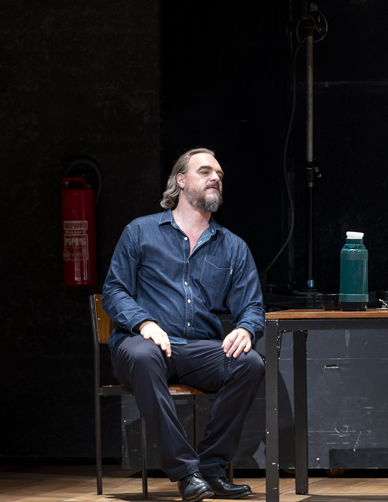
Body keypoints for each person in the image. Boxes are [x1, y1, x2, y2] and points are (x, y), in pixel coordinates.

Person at [102, 148, 265, 502]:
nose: (215, 178)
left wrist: (246, 328)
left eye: (219, 174)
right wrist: (143, 322)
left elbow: (252, 306)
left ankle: (211, 467)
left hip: (198, 349)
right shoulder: (140, 231)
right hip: (143, 345)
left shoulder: (233, 247)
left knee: (249, 363)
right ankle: (186, 472)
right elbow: (113, 290)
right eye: (205, 171)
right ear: (180, 180)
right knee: (144, 356)